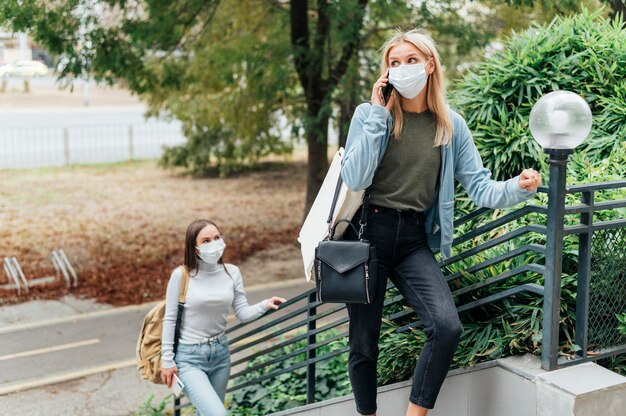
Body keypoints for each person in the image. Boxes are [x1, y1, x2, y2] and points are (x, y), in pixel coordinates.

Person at [340, 29, 542, 416]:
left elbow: (481, 188)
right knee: (363, 341)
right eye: (394, 63)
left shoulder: (451, 126)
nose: (402, 68)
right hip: (368, 235)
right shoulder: (370, 116)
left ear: (430, 65)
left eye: (411, 60)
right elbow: (356, 177)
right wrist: (379, 114)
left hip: (414, 237)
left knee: (446, 326)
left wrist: (518, 187)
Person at [160, 219, 286, 416]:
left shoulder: (232, 272)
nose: (214, 244)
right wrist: (167, 361)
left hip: (220, 354)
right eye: (206, 240)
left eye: (217, 238)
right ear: (194, 248)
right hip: (188, 358)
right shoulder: (181, 276)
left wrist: (264, 305)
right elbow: (169, 318)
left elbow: (242, 312)